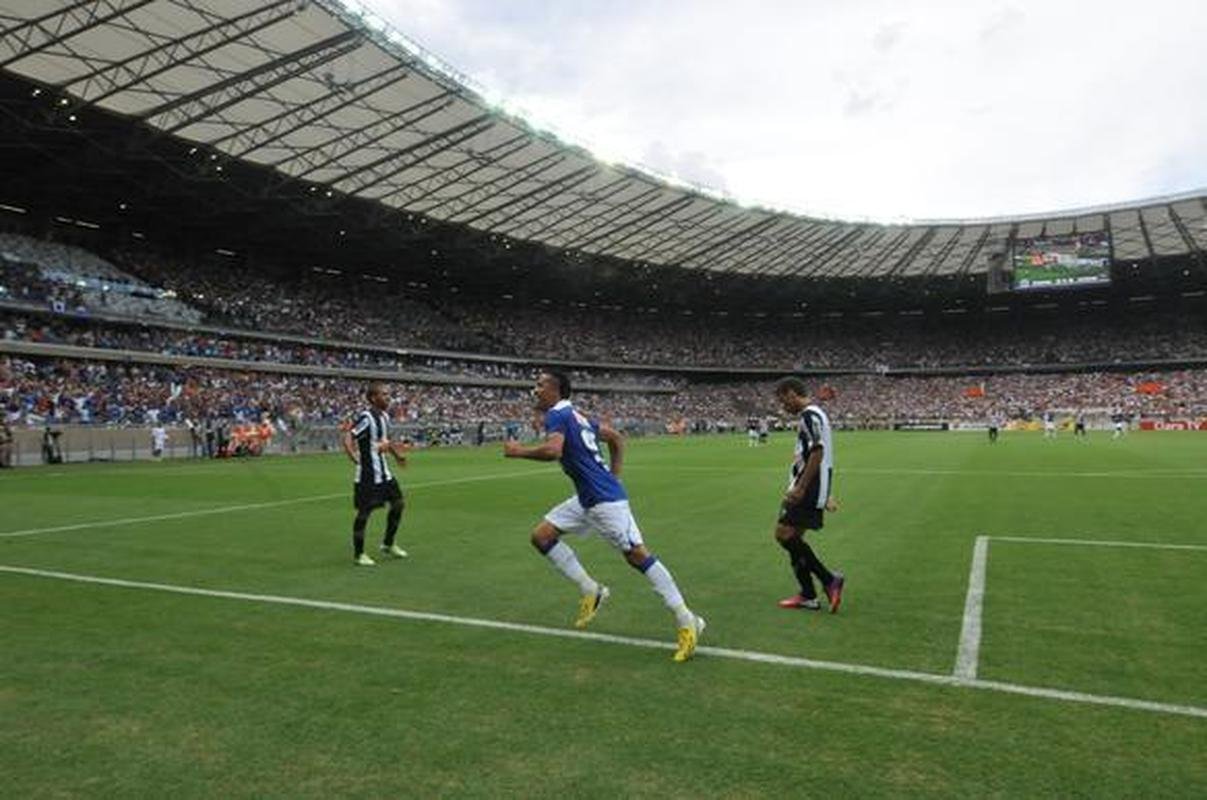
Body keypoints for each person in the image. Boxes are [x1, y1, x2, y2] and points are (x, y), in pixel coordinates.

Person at [504, 370, 704, 663]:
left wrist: (518, 451)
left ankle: (688, 621)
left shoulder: (558, 415)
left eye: (540, 385)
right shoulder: (578, 416)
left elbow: (553, 450)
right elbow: (615, 437)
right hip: (588, 498)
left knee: (637, 555)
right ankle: (591, 589)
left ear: (556, 390)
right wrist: (615, 474)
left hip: (604, 501)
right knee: (542, 536)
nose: (535, 390)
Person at [772, 377, 844, 613]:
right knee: (795, 538)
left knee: (783, 534)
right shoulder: (817, 414)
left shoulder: (809, 415)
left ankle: (828, 580)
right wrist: (826, 492)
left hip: (807, 486)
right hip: (815, 485)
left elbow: (818, 451)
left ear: (792, 393)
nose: (783, 407)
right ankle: (808, 595)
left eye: (783, 400)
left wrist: (802, 488)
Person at [343, 382, 408, 566]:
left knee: (398, 504)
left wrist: (397, 456)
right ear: (373, 398)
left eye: (389, 394)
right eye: (384, 394)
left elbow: (384, 441)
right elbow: (349, 435)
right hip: (368, 475)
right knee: (365, 512)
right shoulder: (366, 417)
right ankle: (359, 554)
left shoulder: (385, 417)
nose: (388, 397)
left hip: (384, 473)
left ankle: (388, 543)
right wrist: (353, 455)